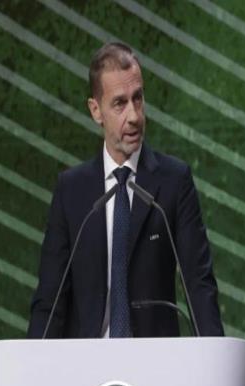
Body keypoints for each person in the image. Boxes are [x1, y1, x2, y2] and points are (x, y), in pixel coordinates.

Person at [27, 42, 224, 338]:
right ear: (96, 110)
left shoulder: (174, 181)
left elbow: (199, 286)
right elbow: (50, 300)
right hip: (87, 361)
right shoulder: (71, 190)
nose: (134, 116)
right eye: (120, 103)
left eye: (138, 98)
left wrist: (216, 359)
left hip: (153, 358)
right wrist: (33, 361)